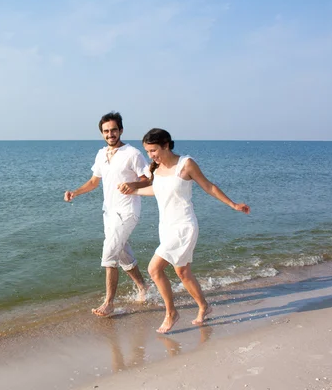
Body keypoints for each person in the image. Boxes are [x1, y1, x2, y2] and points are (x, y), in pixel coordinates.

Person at [122, 128, 250, 333]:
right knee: (183, 272)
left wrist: (233, 204)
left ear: (166, 145)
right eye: (147, 151)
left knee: (154, 269)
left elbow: (208, 186)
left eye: (154, 150)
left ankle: (171, 313)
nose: (151, 156)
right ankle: (204, 306)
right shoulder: (155, 168)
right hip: (166, 227)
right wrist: (133, 191)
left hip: (184, 226)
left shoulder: (186, 164)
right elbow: (157, 190)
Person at [64, 112, 150, 317]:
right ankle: (143, 287)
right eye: (106, 131)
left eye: (113, 130)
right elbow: (94, 182)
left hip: (128, 211)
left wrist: (133, 184)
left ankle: (109, 303)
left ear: (121, 130)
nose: (110, 134)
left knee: (109, 253)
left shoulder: (132, 153)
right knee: (122, 253)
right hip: (109, 213)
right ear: (102, 133)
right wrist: (75, 192)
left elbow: (148, 178)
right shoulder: (101, 154)